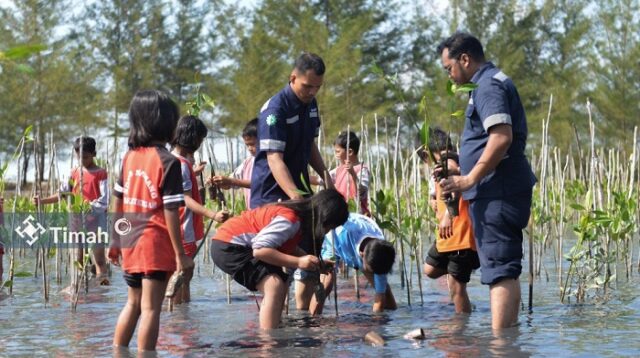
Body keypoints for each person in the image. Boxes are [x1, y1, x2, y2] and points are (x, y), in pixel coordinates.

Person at [437, 33, 536, 329]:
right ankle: (506, 344)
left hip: (498, 191)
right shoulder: (489, 82)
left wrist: (469, 178)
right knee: (500, 268)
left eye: (449, 68)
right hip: (497, 188)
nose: (450, 77)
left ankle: (502, 347)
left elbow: (501, 136)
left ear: (465, 59)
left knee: (501, 270)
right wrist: (459, 171)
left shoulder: (486, 85)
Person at [108, 90, 194, 352]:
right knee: (151, 309)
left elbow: (118, 203)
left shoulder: (129, 158)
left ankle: (118, 352)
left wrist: (114, 241)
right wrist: (181, 254)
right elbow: (171, 211)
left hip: (131, 243)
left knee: (132, 304)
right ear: (167, 124)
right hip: (155, 245)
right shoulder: (168, 162)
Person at [210, 189, 348, 329]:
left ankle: (274, 327)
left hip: (235, 244)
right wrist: (299, 262)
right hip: (229, 245)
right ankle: (269, 343)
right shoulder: (290, 219)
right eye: (330, 227)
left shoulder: (298, 221)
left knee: (279, 283)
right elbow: (260, 250)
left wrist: (318, 264)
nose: (327, 232)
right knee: (274, 286)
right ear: (325, 218)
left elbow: (288, 247)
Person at [249, 52, 333, 209]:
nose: (313, 92)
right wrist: (296, 197)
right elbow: (274, 159)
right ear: (293, 78)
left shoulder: (311, 104)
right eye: (307, 86)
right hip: (272, 198)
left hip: (300, 192)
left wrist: (329, 182)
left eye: (318, 87)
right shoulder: (275, 110)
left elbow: (310, 145)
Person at [169, 115, 230, 304]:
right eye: (200, 140)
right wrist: (213, 214)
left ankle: (180, 320)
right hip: (182, 228)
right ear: (193, 138)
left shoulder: (171, 159)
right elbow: (185, 199)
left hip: (172, 228)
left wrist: (193, 173)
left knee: (178, 276)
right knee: (183, 277)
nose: (200, 144)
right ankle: (182, 322)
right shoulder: (181, 165)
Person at [33, 136, 109, 285]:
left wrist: (89, 208)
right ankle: (80, 289)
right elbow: (62, 194)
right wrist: (42, 201)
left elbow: (105, 200)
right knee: (78, 258)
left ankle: (102, 294)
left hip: (97, 219)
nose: (82, 160)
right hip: (76, 219)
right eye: (79, 157)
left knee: (99, 260)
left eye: (86, 157)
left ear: (94, 154)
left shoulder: (101, 173)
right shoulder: (73, 173)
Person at [421, 127, 480, 314]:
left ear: (428, 151)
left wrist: (447, 214)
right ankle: (461, 274)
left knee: (456, 288)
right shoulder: (446, 163)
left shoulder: (451, 161)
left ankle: (461, 330)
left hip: (459, 232)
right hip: (448, 235)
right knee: (430, 269)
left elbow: (454, 187)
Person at [298, 213, 397, 314]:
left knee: (384, 290)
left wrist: (377, 324)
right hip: (333, 239)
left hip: (363, 243)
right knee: (326, 284)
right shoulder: (344, 234)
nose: (376, 274)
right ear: (361, 255)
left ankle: (391, 314)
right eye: (371, 270)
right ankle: (314, 319)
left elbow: (379, 299)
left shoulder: (381, 251)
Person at [210, 118, 258, 208]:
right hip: (253, 214)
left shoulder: (272, 162)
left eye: (252, 144)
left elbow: (261, 184)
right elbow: (230, 184)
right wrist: (220, 182)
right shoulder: (247, 163)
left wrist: (231, 181)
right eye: (247, 145)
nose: (249, 148)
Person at [328, 131, 371, 216]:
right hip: (342, 215)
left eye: (338, 151)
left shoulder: (362, 170)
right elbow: (321, 179)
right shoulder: (338, 170)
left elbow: (361, 190)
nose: (335, 155)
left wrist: (352, 174)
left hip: (358, 215)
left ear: (350, 152)